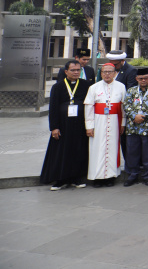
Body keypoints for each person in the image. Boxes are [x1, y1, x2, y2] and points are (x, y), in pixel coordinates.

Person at [41, 60, 90, 190]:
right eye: (73, 70)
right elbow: (53, 108)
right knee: (61, 152)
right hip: (63, 125)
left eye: (78, 70)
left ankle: (77, 177)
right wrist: (54, 127)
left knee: (78, 150)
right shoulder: (58, 87)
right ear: (66, 71)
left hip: (80, 125)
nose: (76, 72)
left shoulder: (86, 85)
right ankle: (60, 179)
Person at [84, 63, 126, 187]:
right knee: (97, 149)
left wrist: (123, 123)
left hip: (114, 122)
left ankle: (110, 177)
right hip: (98, 122)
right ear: (101, 73)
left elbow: (124, 107)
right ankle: (97, 177)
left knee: (112, 148)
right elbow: (89, 108)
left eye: (109, 72)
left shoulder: (121, 87)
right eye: (104, 72)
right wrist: (89, 126)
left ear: (115, 73)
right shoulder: (94, 88)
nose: (107, 74)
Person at [122, 68, 148, 187]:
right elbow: (126, 105)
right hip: (132, 127)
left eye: (146, 78)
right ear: (136, 79)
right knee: (132, 152)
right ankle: (132, 175)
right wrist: (134, 116)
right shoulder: (131, 91)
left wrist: (142, 116)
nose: (143, 80)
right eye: (140, 78)